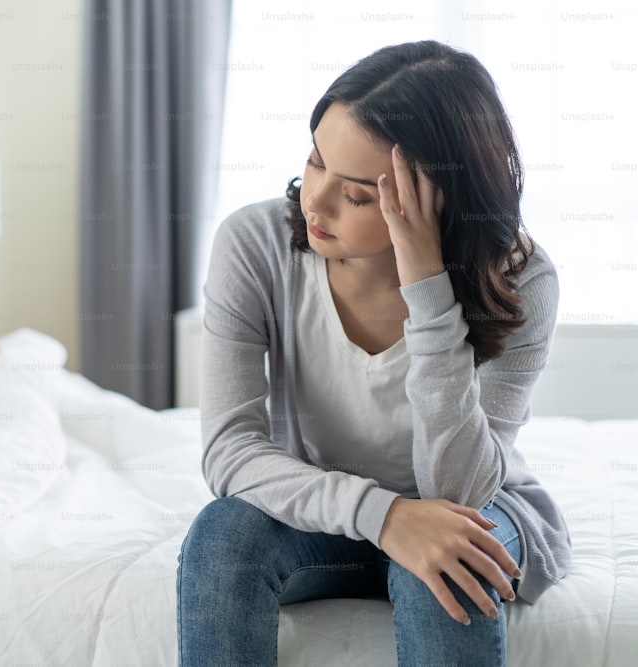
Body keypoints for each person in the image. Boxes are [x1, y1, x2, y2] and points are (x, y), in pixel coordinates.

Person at [176, 40, 571, 666]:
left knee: (444, 557)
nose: (316, 201)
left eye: (359, 196)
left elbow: (460, 489)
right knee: (225, 532)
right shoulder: (255, 246)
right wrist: (385, 517)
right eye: (314, 162)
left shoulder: (520, 279)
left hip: (475, 504)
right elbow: (230, 451)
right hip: (320, 509)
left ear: (442, 203)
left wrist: (426, 285)